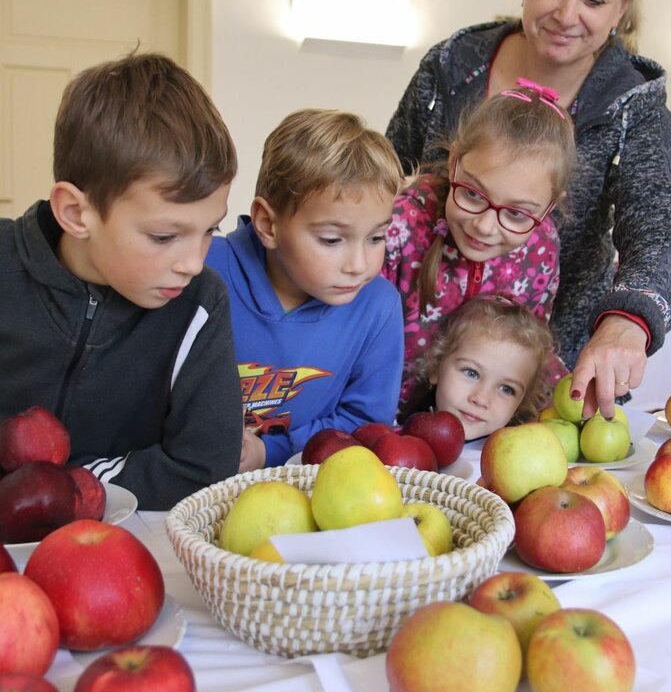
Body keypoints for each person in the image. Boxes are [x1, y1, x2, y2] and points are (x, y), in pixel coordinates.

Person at [386, 0, 671, 418]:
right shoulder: (452, 66)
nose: (566, 13)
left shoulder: (630, 98)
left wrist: (629, 318)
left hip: (538, 380)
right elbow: (387, 179)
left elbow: (661, 219)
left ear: (622, 8)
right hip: (400, 372)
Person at [0, 53, 244, 510]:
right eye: (164, 236)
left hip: (132, 547)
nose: (193, 262)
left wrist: (59, 489)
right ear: (76, 213)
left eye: (210, 229)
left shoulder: (201, 303)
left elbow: (204, 467)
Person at [206, 109, 405, 469]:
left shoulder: (379, 306)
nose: (359, 264)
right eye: (331, 239)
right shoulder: (203, 270)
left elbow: (365, 423)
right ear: (268, 223)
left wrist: (270, 452)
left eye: (377, 237)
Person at [383, 81, 575, 418]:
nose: (484, 227)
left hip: (479, 440)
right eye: (473, 194)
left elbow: (524, 353)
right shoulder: (401, 224)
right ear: (455, 160)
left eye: (516, 214)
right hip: (378, 426)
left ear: (549, 207)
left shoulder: (542, 247)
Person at [415, 295, 554, 441]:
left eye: (506, 389)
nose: (481, 399)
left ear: (520, 404)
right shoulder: (401, 438)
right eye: (471, 373)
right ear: (436, 367)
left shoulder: (518, 455)